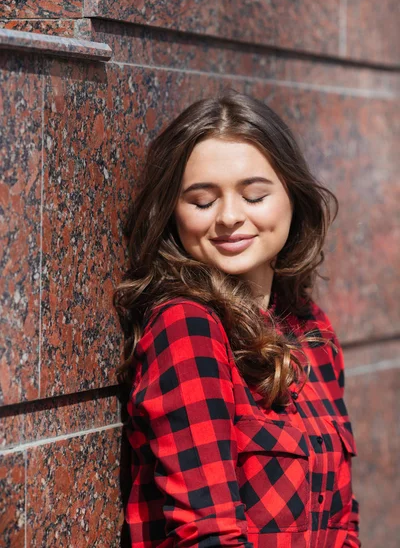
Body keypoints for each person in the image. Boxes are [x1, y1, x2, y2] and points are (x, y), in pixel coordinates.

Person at [113, 90, 360, 548]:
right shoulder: (187, 328)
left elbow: (343, 524)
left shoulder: (312, 330)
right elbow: (207, 535)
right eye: (203, 202)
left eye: (254, 195)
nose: (229, 217)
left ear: (292, 196)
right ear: (173, 213)